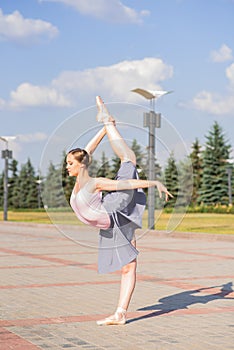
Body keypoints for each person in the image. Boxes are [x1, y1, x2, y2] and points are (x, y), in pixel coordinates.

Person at [66, 96, 172, 326]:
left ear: (81, 165)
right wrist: (104, 128)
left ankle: (120, 314)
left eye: (70, 164)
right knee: (129, 264)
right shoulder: (80, 181)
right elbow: (86, 151)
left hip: (118, 207)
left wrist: (153, 183)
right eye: (67, 164)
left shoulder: (95, 183)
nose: (67, 167)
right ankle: (108, 122)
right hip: (111, 221)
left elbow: (126, 185)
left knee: (128, 159)